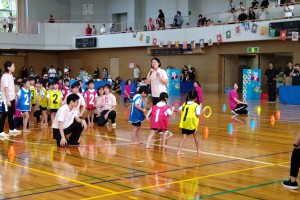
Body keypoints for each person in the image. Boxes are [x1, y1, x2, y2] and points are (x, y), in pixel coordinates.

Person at [0, 61, 21, 137]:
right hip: (6, 99)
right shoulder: (5, 76)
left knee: (11, 114)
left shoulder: (11, 75)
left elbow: (12, 87)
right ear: (8, 67)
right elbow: (6, 88)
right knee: (4, 115)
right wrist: (8, 100)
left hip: (11, 98)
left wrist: (15, 96)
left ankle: (12, 129)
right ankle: (0, 131)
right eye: (13, 66)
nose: (14, 67)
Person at [177, 90, 201, 155]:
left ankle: (179, 151)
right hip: (191, 124)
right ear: (196, 98)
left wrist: (182, 116)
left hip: (184, 123)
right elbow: (198, 115)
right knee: (195, 136)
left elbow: (179, 110)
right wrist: (203, 112)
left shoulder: (185, 104)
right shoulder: (196, 105)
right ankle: (198, 150)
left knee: (183, 138)